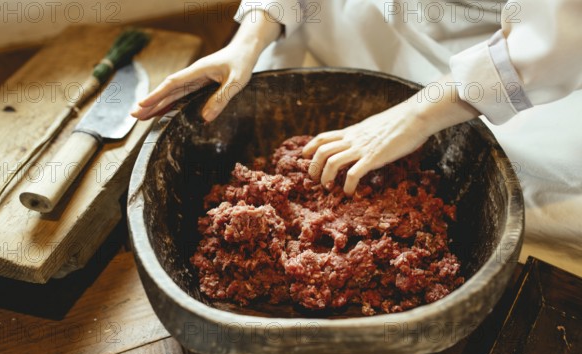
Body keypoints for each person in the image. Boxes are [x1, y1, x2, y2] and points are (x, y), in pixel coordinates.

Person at [132, 0, 582, 272]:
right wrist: (250, 38)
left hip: (492, 52)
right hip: (343, 17)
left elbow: (559, 35)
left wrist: (416, 116)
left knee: (542, 204)